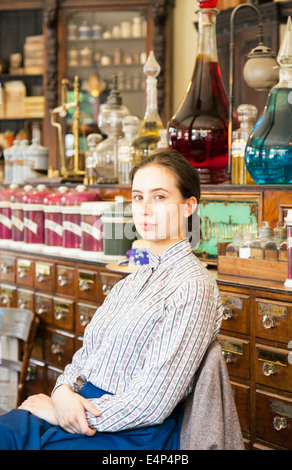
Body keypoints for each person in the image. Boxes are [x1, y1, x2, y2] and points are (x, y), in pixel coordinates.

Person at [0, 150, 223, 450]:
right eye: (138, 197)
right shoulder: (131, 282)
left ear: (188, 206)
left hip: (129, 433)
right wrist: (62, 392)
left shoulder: (193, 287)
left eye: (159, 197)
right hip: (81, 408)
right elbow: (86, 357)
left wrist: (64, 415)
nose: (144, 209)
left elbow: (153, 403)